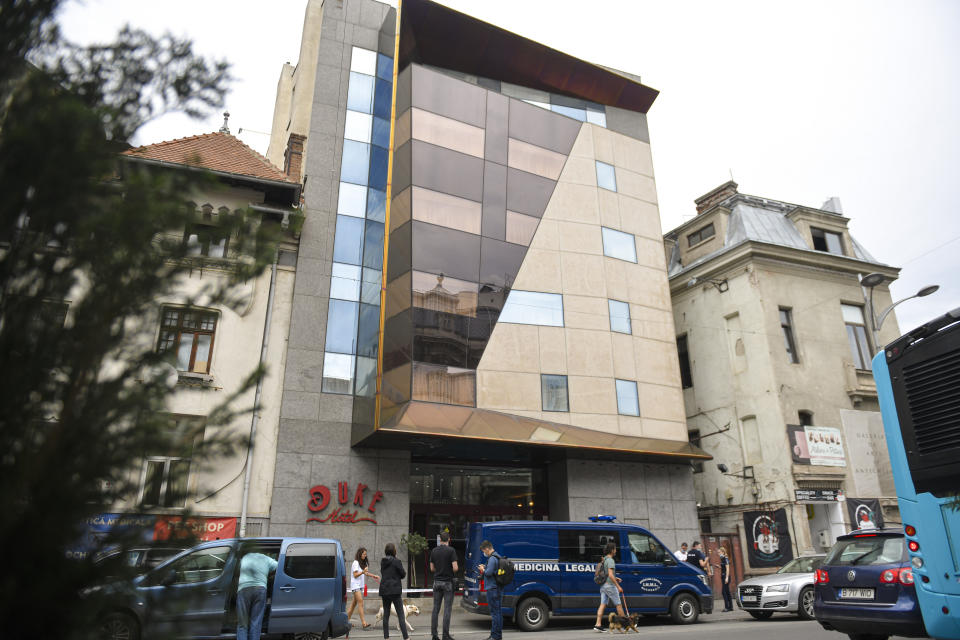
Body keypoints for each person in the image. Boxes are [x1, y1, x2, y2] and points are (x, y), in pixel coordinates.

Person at [237, 549, 278, 640]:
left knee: (242, 623)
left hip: (244, 589)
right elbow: (279, 566)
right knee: (256, 622)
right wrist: (267, 574)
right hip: (260, 589)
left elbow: (237, 570)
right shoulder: (266, 558)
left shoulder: (245, 557)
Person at [430, 531, 459, 640]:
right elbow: (455, 568)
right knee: (447, 609)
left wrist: (440, 569)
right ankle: (445, 635)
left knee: (435, 609)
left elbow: (432, 569)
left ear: (440, 539)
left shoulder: (434, 550)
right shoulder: (451, 551)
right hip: (448, 583)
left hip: (437, 582)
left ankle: (434, 635)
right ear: (449, 539)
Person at [592, 541, 625, 633]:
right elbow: (610, 575)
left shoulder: (605, 559)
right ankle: (624, 624)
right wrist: (618, 586)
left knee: (603, 604)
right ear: (611, 550)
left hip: (603, 586)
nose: (616, 551)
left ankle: (597, 625)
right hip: (610, 586)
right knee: (618, 604)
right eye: (615, 549)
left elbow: (608, 574)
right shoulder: (610, 560)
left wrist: (616, 578)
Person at [380, 543, 409, 640]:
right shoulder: (397, 561)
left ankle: (386, 637)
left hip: (384, 590)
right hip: (395, 590)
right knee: (401, 614)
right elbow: (403, 574)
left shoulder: (383, 562)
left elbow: (383, 573)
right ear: (394, 551)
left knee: (386, 614)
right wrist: (396, 559)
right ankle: (406, 637)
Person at [347, 547, 379, 631]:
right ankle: (364, 623)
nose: (365, 555)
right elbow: (355, 575)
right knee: (360, 602)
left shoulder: (362, 563)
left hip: (359, 586)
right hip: (355, 586)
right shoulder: (355, 562)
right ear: (360, 554)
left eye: (365, 554)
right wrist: (363, 572)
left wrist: (373, 575)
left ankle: (345, 621)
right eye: (364, 554)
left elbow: (366, 573)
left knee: (353, 605)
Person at [477, 540, 503, 640]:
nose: (484, 553)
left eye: (484, 550)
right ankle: (496, 635)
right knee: (498, 613)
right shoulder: (497, 556)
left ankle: (495, 636)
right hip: (497, 588)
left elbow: (488, 573)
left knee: (495, 614)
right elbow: (492, 571)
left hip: (492, 589)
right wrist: (486, 567)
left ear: (487, 549)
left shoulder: (492, 558)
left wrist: (483, 569)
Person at [718, 547, 733, 612]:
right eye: (718, 552)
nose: (718, 554)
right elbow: (724, 567)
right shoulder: (722, 559)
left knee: (724, 592)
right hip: (723, 576)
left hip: (725, 577)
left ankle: (727, 607)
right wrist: (719, 567)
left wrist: (726, 578)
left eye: (719, 552)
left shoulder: (725, 559)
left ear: (723, 552)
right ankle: (731, 607)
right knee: (727, 592)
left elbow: (727, 569)